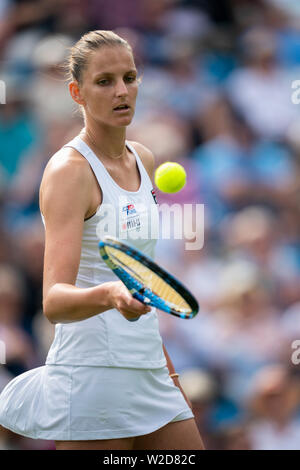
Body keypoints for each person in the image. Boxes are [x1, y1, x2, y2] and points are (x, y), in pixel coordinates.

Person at [0, 30, 204, 451]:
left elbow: (142, 282)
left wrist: (171, 376)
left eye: (129, 77)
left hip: (149, 370)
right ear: (77, 92)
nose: (122, 91)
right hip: (91, 376)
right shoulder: (68, 172)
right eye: (105, 81)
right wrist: (112, 294)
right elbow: (54, 301)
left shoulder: (144, 159)